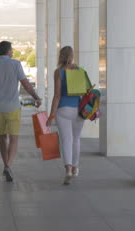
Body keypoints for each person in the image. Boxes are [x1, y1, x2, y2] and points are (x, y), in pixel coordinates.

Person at [0, 41, 41, 182]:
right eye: (12, 50)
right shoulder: (16, 64)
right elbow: (26, 84)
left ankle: (6, 164)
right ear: (9, 51)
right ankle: (8, 165)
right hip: (13, 107)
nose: (12, 52)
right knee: (14, 138)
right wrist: (36, 97)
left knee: (2, 137)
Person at [46, 46, 85, 185]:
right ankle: (75, 168)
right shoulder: (80, 70)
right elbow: (85, 91)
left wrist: (51, 115)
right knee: (76, 139)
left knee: (66, 140)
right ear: (72, 56)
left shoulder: (59, 72)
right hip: (78, 110)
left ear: (60, 56)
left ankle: (68, 169)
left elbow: (57, 96)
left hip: (63, 110)